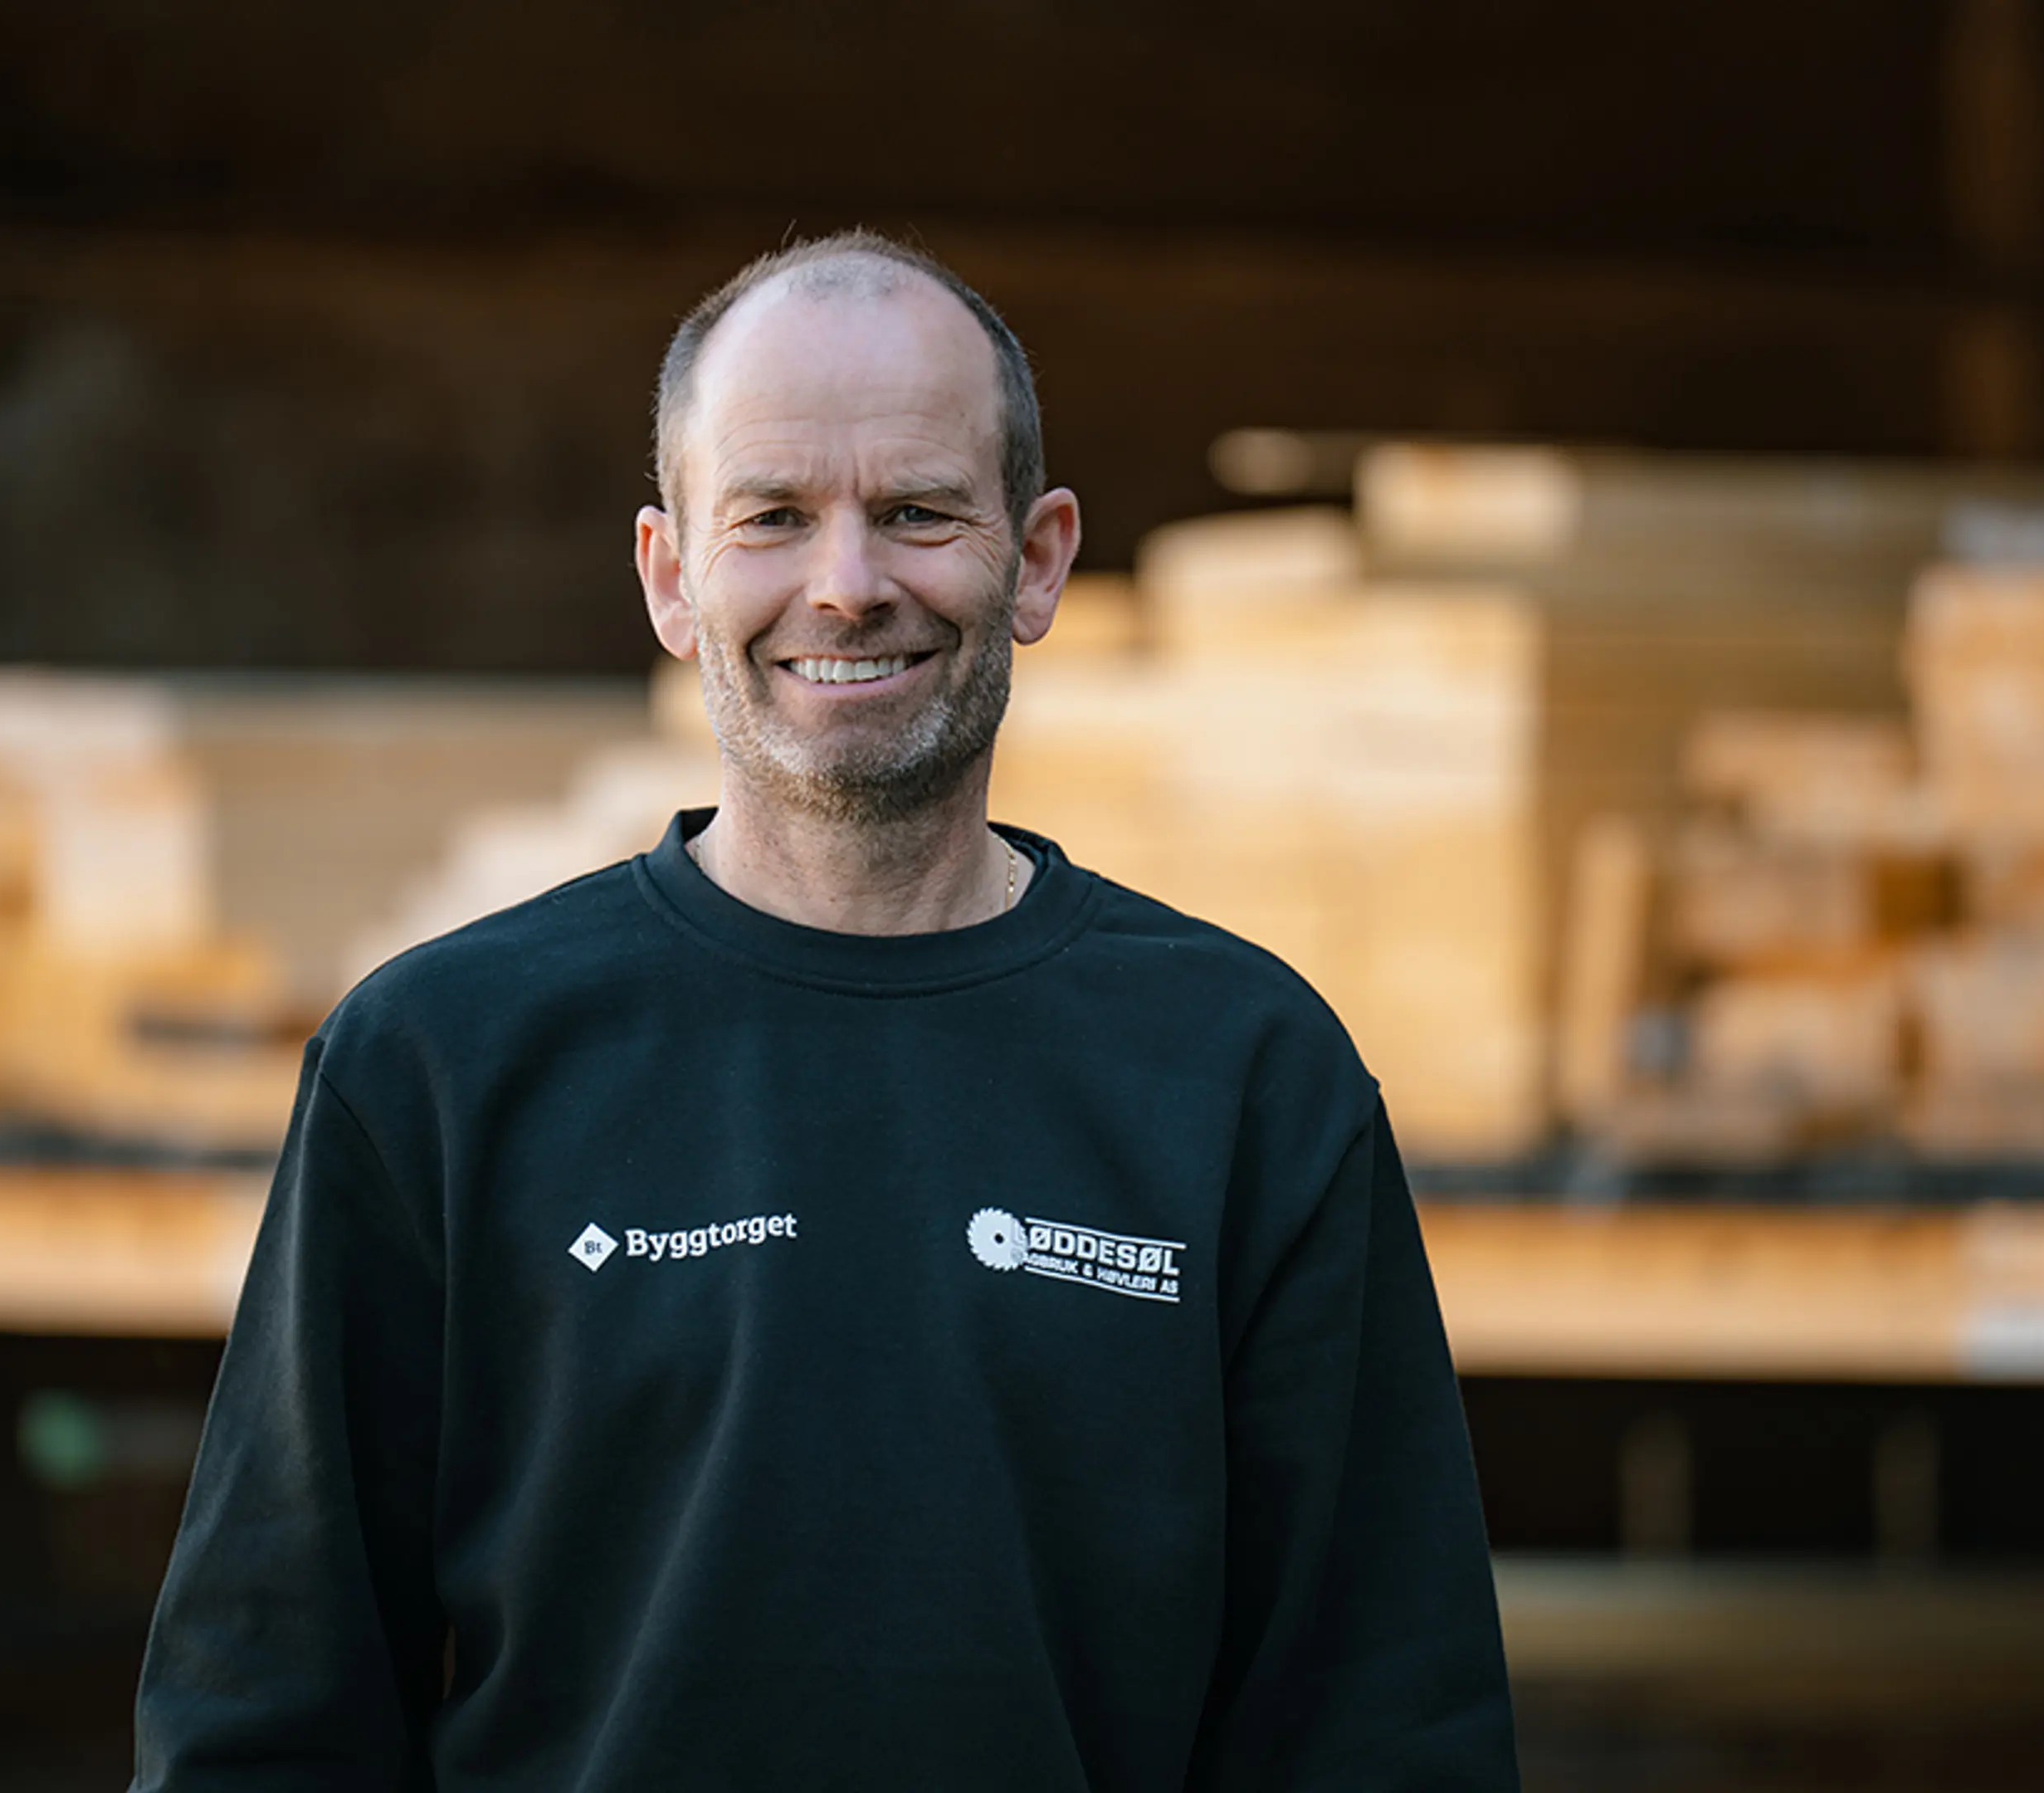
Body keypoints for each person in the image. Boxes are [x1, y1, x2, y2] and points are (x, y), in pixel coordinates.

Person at [130, 230, 1518, 1789]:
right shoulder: (442, 1066)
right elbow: (262, 1721)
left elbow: (1388, 1733)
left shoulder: (1246, 1078)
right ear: (670, 577)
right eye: (773, 519)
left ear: (1041, 557)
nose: (846, 588)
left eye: (918, 514)